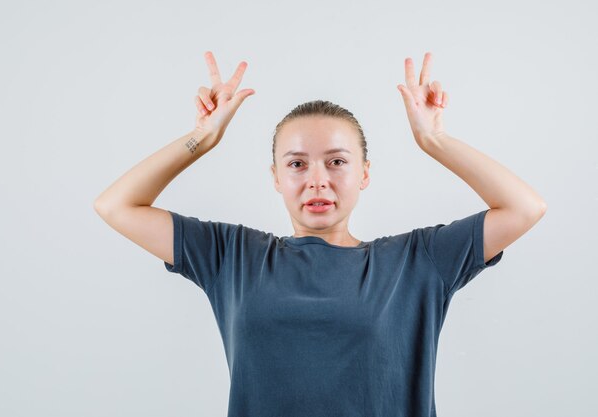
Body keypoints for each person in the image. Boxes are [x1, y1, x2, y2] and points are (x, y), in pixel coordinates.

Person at [94, 50, 547, 417]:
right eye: (296, 164)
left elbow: (525, 208)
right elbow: (116, 206)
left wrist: (435, 141)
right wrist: (202, 138)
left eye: (336, 161)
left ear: (364, 173)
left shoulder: (418, 261)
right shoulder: (230, 255)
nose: (317, 180)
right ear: (275, 176)